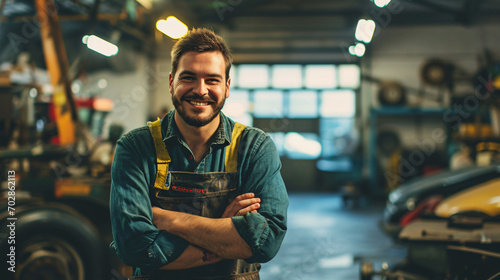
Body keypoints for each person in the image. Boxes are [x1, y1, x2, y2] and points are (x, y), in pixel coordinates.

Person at [109, 28, 289, 279]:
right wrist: (226, 232)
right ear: (172, 83)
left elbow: (265, 243)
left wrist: (165, 219)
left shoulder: (255, 148)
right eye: (189, 78)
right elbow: (135, 248)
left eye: (212, 80)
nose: (200, 90)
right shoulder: (136, 148)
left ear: (227, 87)